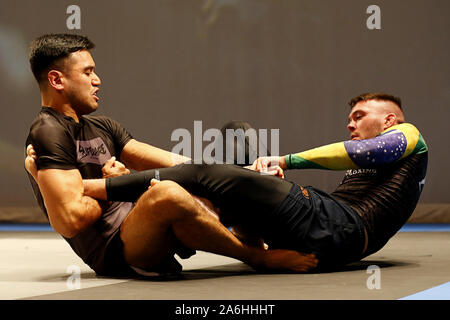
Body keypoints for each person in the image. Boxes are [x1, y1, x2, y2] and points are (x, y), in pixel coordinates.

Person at [24, 33, 318, 277]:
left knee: (238, 135)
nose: (97, 80)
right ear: (57, 80)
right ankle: (256, 257)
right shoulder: (48, 132)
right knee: (167, 193)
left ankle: (269, 235)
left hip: (144, 214)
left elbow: (178, 164)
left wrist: (239, 175)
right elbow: (70, 220)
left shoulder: (102, 126)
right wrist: (112, 191)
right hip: (117, 250)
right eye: (88, 72)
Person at [72, 92, 428, 270]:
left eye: (360, 116)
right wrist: (269, 181)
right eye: (350, 118)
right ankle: (222, 219)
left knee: (204, 175)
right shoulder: (380, 148)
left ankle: (91, 187)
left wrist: (285, 161)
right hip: (320, 218)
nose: (351, 125)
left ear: (390, 120)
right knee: (237, 134)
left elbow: (362, 154)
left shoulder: (409, 136)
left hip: (340, 228)